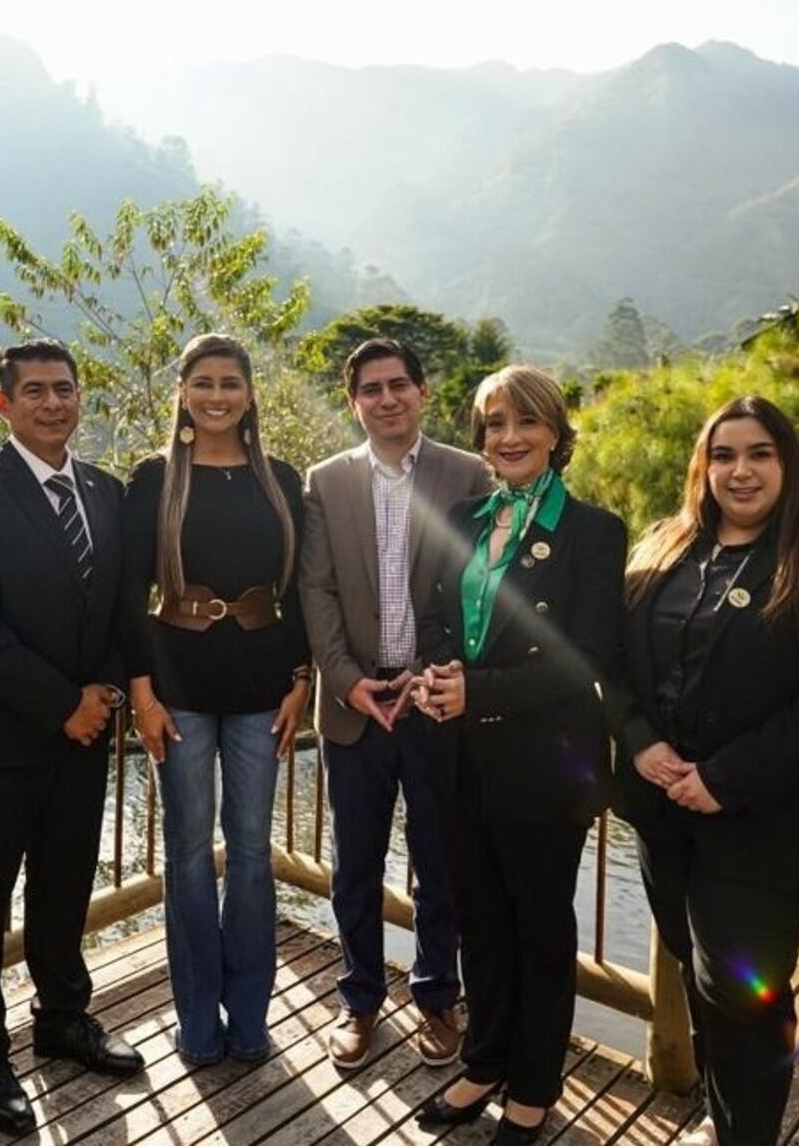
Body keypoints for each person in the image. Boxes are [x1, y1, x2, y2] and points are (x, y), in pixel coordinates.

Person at [608, 397, 799, 1146]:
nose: (741, 470)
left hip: (769, 823)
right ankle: (720, 1116)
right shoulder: (662, 548)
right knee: (697, 966)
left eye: (760, 453)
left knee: (744, 993)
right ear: (704, 466)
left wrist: (725, 777)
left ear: (789, 465)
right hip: (666, 812)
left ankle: (745, 1134)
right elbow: (614, 664)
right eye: (725, 454)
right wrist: (636, 740)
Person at [408, 364, 627, 1145]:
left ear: (556, 433)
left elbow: (584, 658)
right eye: (495, 424)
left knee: (538, 926)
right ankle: (484, 1060)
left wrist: (481, 689)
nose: (508, 438)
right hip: (458, 758)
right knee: (479, 919)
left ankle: (533, 1087)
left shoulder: (594, 532)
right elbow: (430, 612)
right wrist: (439, 674)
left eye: (526, 422)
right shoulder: (463, 515)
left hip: (545, 765)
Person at [0, 338, 145, 1133]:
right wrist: (63, 701)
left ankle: (62, 1019)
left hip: (84, 738)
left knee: (65, 886)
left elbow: (120, 607)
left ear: (80, 395)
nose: (53, 403)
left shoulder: (106, 489)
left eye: (64, 388)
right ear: (3, 403)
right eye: (35, 392)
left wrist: (109, 692)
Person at [299, 338, 492, 1070]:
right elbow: (314, 589)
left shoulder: (466, 473)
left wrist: (428, 675)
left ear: (422, 392)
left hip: (433, 698)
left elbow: (479, 588)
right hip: (354, 705)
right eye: (370, 389)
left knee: (438, 860)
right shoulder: (327, 480)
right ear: (354, 402)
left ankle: (437, 994)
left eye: (398, 385)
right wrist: (345, 678)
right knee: (355, 861)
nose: (386, 399)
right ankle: (357, 998)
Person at [121, 332, 310, 1065]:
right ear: (182, 392)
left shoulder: (279, 478)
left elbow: (296, 593)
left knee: (255, 852)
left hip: (265, 686)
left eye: (231, 382)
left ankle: (252, 1014)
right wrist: (141, 689)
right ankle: (197, 1015)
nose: (217, 395)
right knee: (191, 854)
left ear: (251, 393)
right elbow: (128, 595)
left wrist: (302, 680)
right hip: (181, 688)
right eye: (203, 382)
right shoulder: (154, 478)